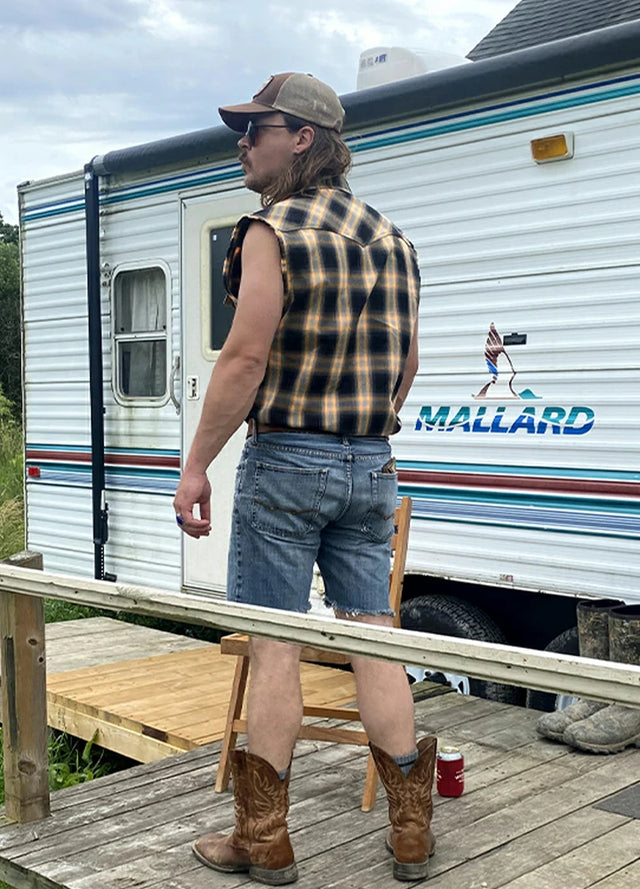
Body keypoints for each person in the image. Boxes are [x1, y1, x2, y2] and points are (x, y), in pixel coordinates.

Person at [173, 71, 435, 885]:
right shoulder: (394, 240)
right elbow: (407, 365)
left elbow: (244, 356)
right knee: (374, 640)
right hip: (372, 463)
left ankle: (264, 840)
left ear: (304, 139)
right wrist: (366, 433)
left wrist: (195, 464)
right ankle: (412, 834)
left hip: (288, 459)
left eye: (256, 130)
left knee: (276, 642)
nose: (242, 144)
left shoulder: (270, 229)